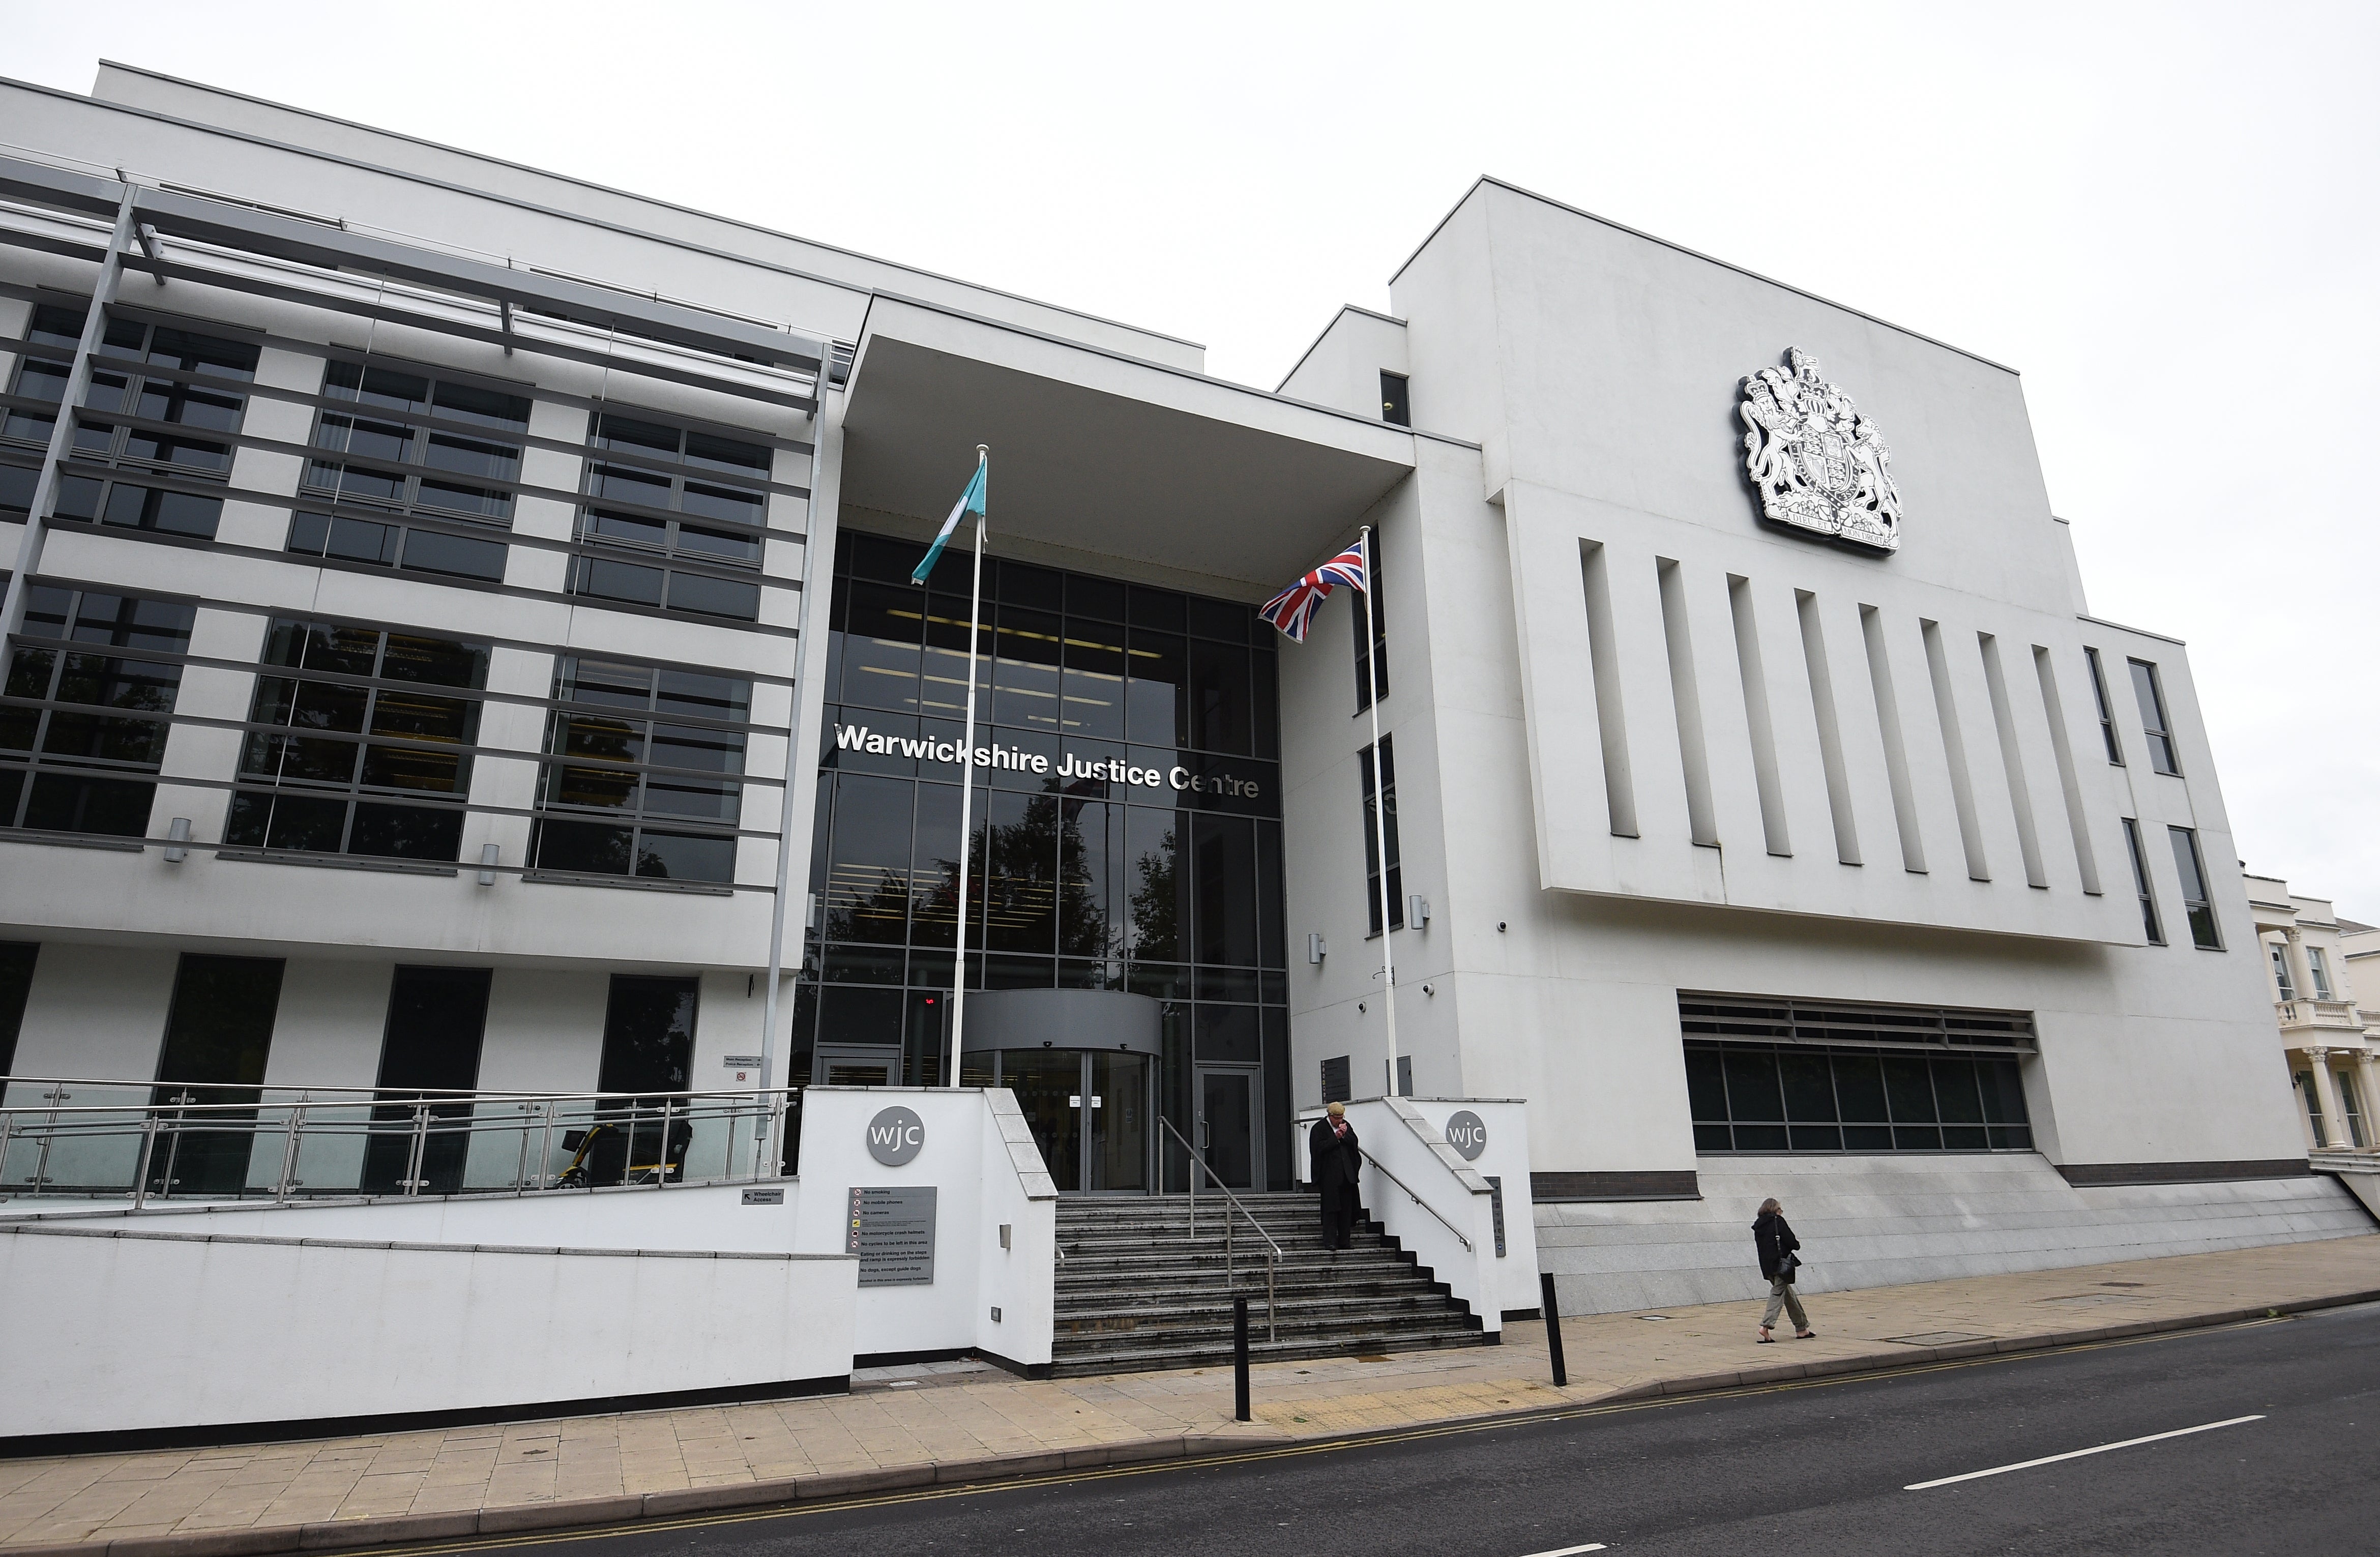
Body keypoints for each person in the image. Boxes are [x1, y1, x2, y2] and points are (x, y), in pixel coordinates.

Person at [1752, 1196, 1816, 1342]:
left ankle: (1802, 1329)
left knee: (1789, 1296)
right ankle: (1766, 1326)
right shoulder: (1777, 1221)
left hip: (1767, 1266)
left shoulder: (1758, 1225)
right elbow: (1792, 1242)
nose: (1781, 1212)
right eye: (1780, 1209)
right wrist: (1796, 1244)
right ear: (1775, 1210)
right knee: (1777, 1293)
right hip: (1781, 1265)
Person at [1309, 1101, 1362, 1250]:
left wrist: (1345, 1136)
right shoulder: (1319, 1129)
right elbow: (1318, 1149)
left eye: (1342, 1117)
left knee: (1346, 1209)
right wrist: (1335, 1138)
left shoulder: (1346, 1125)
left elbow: (1354, 1142)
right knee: (1331, 1210)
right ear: (1330, 1116)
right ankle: (1330, 1241)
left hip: (1347, 1176)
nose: (1340, 1121)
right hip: (1329, 1177)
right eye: (1337, 1118)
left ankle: (1345, 1241)